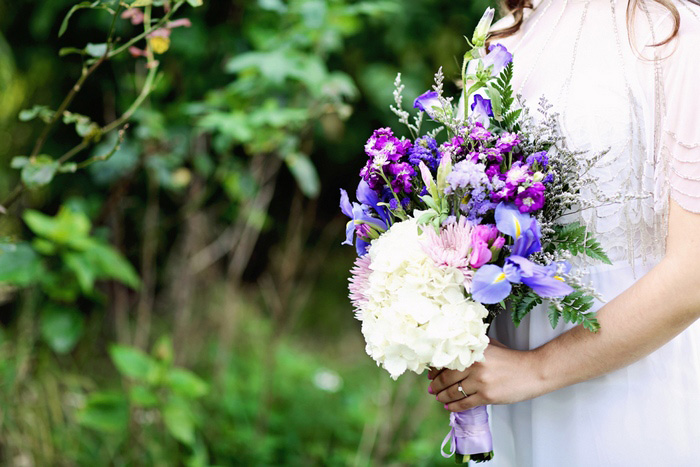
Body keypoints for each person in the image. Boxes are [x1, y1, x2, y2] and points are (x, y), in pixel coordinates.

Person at [428, 0, 700, 465]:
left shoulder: (674, 33)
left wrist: (536, 370)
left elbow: (694, 271)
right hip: (510, 385)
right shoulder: (503, 39)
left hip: (633, 387)